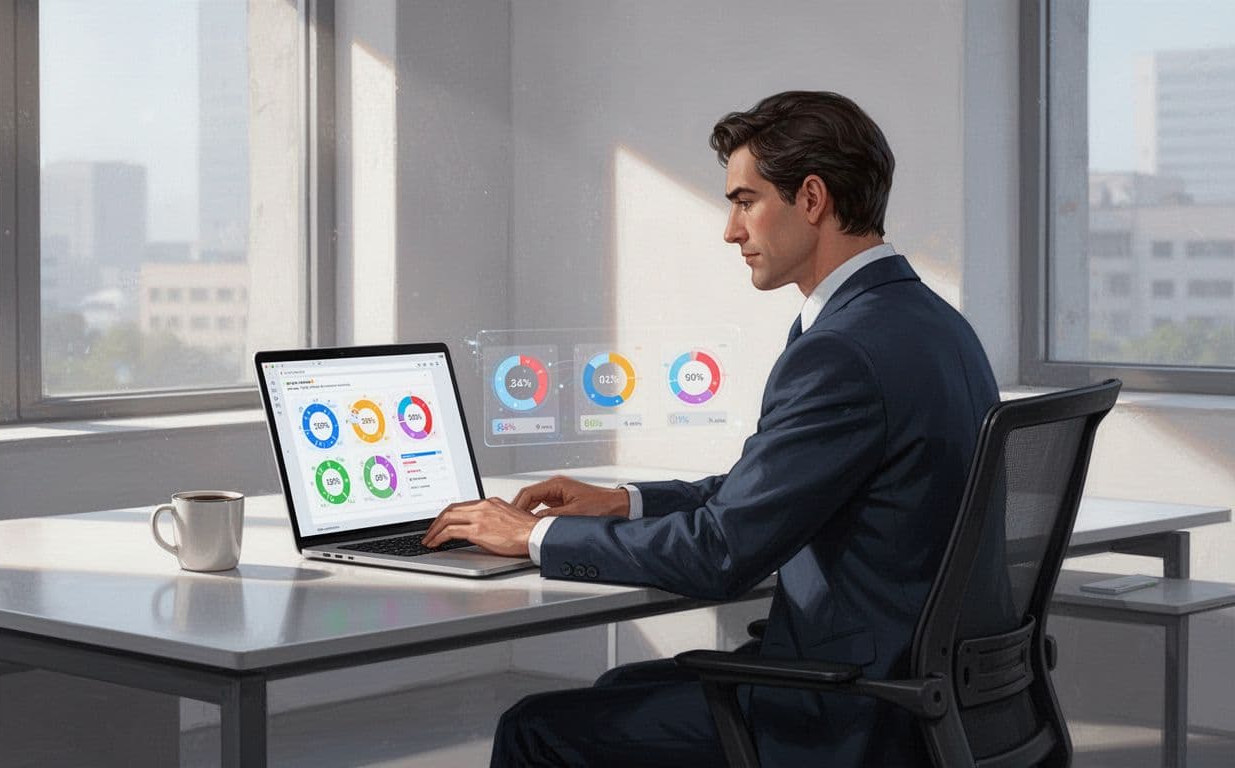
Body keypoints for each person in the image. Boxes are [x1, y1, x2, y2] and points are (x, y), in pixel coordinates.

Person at [422, 90, 999, 767]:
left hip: (849, 712)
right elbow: (777, 490)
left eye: (745, 200)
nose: (731, 230)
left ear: (811, 199)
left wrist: (533, 535)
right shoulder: (932, 325)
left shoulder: (840, 350)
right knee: (620, 691)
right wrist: (627, 501)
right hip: (928, 695)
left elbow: (722, 553)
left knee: (536, 729)